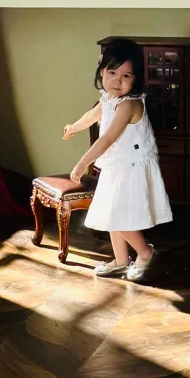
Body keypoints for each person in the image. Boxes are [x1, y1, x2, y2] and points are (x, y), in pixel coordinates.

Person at [63, 38, 172, 281]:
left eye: (126, 76)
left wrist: (82, 163)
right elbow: (91, 116)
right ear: (101, 70)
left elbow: (108, 138)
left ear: (135, 79)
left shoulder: (129, 105)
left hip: (131, 168)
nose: (117, 80)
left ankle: (145, 252)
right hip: (116, 166)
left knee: (119, 215)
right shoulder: (108, 99)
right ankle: (121, 260)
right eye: (112, 72)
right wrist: (74, 127)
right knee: (112, 214)